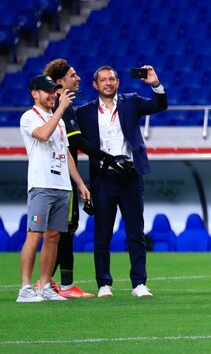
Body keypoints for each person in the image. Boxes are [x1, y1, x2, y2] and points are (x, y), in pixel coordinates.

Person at [76, 64, 168, 298]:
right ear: (95, 85)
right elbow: (74, 142)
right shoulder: (84, 112)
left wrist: (155, 84)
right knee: (102, 233)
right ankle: (103, 284)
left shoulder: (131, 101)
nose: (108, 83)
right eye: (103, 80)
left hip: (130, 175)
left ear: (118, 82)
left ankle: (139, 283)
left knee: (135, 232)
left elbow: (159, 105)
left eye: (112, 79)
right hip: (103, 177)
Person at [42, 58, 117, 299]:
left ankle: (47, 283)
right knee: (64, 229)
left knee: (62, 230)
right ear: (60, 81)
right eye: (73, 75)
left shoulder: (59, 105)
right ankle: (61, 284)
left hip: (62, 174)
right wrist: (107, 156)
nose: (78, 78)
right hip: (61, 176)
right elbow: (75, 142)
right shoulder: (61, 107)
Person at [17, 75, 91, 303]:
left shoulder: (56, 119)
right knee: (35, 234)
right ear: (35, 93)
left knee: (54, 237)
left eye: (55, 91)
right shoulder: (29, 117)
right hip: (41, 184)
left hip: (61, 185)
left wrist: (79, 183)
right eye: (48, 91)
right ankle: (26, 288)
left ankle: (45, 286)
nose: (53, 95)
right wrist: (60, 110)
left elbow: (66, 152)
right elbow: (43, 134)